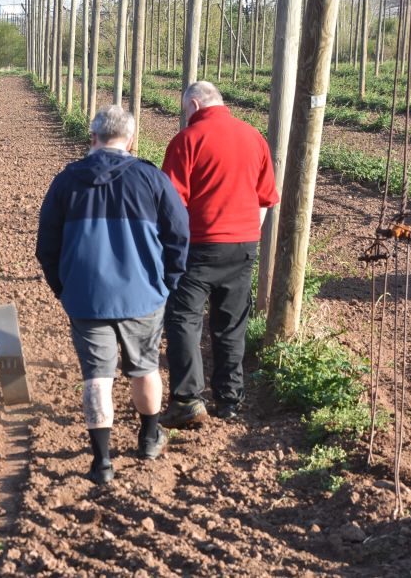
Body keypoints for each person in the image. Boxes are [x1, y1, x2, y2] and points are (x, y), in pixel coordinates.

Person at [36, 105, 189, 483]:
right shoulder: (151, 179)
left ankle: (102, 462)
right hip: (142, 295)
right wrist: (166, 283)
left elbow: (47, 246)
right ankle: (150, 437)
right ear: (131, 139)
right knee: (145, 367)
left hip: (86, 297)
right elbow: (179, 236)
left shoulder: (66, 182)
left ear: (93, 137)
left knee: (96, 377)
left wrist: (65, 288)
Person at [159, 81, 279, 427]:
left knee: (184, 320)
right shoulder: (254, 137)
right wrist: (249, 236)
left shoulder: (188, 140)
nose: (186, 118)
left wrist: (170, 248)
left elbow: (172, 204)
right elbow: (267, 197)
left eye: (185, 112)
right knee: (231, 325)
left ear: (194, 104)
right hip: (242, 246)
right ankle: (230, 400)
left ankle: (187, 399)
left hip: (198, 246)